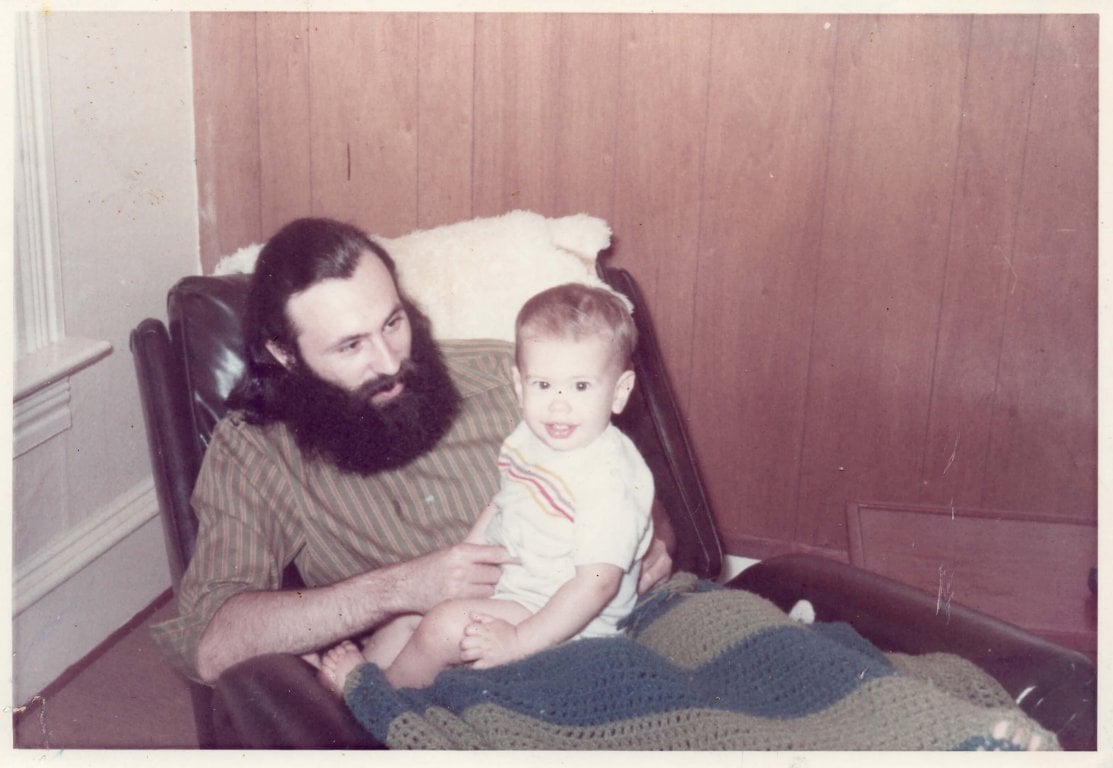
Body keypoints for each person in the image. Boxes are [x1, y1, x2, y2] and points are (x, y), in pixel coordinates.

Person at [150, 217, 673, 685]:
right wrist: (398, 589)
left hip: (599, 631)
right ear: (284, 354)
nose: (388, 361)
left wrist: (657, 543)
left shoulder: (510, 379)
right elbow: (210, 643)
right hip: (434, 677)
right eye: (351, 345)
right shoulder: (257, 454)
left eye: (393, 323)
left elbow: (627, 488)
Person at [317, 283, 654, 692]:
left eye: (581, 386)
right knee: (411, 612)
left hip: (565, 623)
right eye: (543, 385)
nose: (559, 403)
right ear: (518, 384)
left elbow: (596, 584)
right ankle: (359, 684)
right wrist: (464, 562)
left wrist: (519, 640)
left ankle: (375, 697)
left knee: (443, 626)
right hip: (516, 588)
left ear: (619, 392)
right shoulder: (532, 437)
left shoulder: (609, 478)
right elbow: (504, 502)